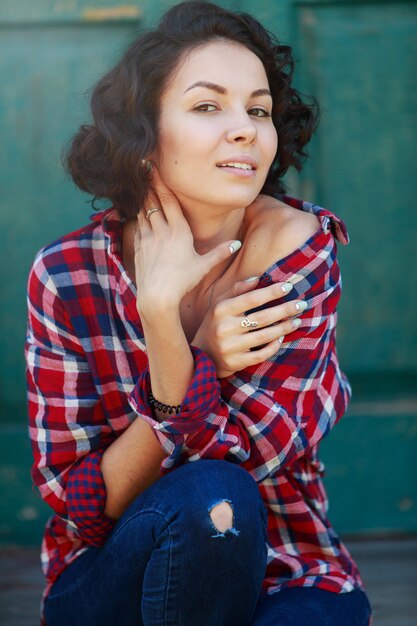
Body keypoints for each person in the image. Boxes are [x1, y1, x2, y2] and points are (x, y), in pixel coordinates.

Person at [25, 2, 372, 625]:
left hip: (285, 567)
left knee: (226, 501)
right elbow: (82, 501)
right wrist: (170, 326)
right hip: (113, 573)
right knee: (211, 500)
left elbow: (257, 455)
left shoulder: (300, 255)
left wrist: (184, 363)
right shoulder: (67, 274)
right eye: (208, 105)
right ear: (143, 138)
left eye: (258, 109)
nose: (245, 129)